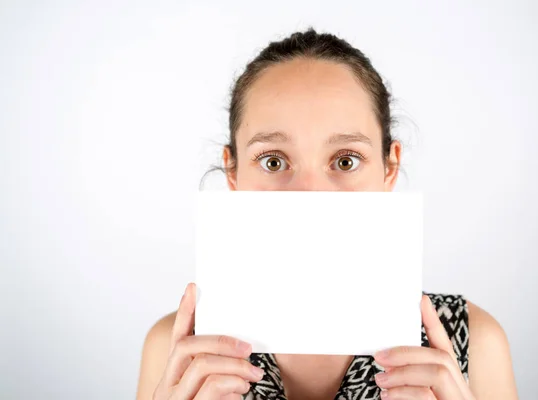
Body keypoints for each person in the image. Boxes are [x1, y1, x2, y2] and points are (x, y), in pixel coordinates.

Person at [136, 28, 518, 400]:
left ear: (389, 169)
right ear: (233, 173)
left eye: (346, 160)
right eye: (272, 161)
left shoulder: (476, 343)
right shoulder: (175, 353)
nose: (310, 193)